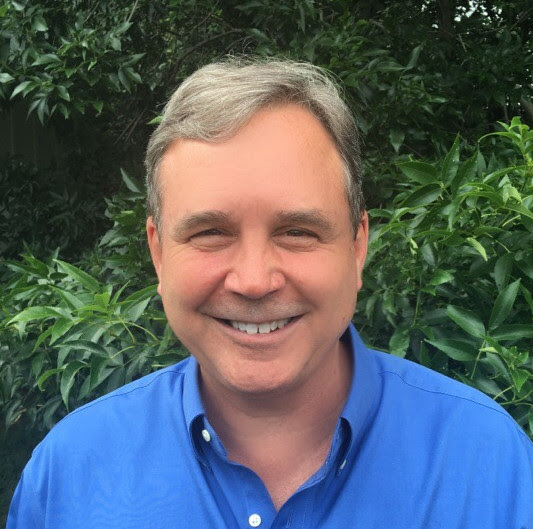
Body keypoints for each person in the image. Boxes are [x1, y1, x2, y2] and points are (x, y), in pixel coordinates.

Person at [7, 58, 533, 529]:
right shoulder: (67, 475)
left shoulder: (489, 464)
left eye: (297, 232)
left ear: (357, 247)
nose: (254, 281)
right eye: (210, 233)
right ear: (159, 253)